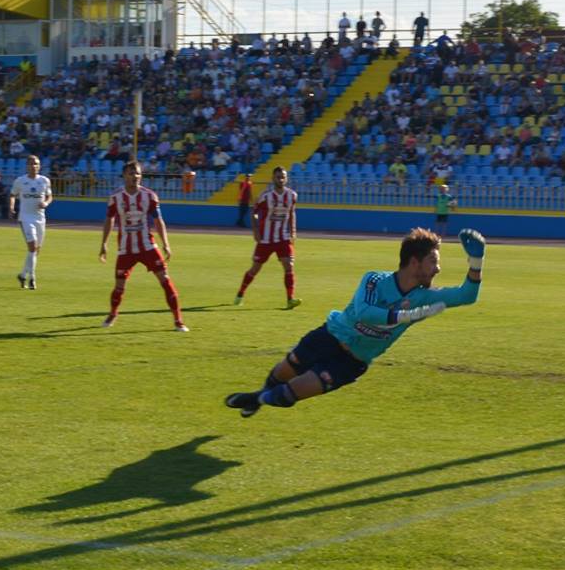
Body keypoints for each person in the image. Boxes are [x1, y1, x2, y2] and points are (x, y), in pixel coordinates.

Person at [224, 228, 485, 417]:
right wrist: (407, 316)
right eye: (433, 262)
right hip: (329, 336)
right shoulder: (374, 280)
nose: (437, 269)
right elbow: (364, 313)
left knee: (288, 394)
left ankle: (257, 398)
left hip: (352, 362)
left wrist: (476, 261)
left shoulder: (423, 297)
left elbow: (467, 295)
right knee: (285, 370)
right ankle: (259, 398)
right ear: (414, 261)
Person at [98, 161, 187, 331]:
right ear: (124, 176)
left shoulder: (150, 196)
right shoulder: (116, 197)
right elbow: (109, 220)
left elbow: (158, 220)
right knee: (119, 286)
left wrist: (166, 244)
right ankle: (113, 314)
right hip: (126, 249)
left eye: (137, 173)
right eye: (131, 173)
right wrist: (103, 243)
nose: (135, 177)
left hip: (148, 246)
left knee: (165, 280)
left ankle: (178, 320)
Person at [235, 164, 301, 309]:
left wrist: (293, 231)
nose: (281, 179)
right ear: (273, 178)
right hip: (266, 239)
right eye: (278, 177)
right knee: (255, 269)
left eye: (283, 177)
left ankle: (290, 299)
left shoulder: (292, 196)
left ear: (286, 178)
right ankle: (240, 293)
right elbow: (254, 212)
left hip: (283, 237)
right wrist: (256, 231)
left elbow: (292, 213)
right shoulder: (266, 197)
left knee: (289, 266)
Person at [9, 153, 54, 290]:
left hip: (40, 218)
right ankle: (32, 278)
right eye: (31, 163)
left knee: (35, 250)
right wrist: (11, 207)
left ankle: (23, 275)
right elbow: (12, 195)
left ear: (39, 166)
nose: (34, 166)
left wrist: (46, 203)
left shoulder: (45, 181)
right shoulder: (20, 181)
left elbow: (50, 196)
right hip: (26, 217)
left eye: (36, 164)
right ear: (27, 166)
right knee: (33, 247)